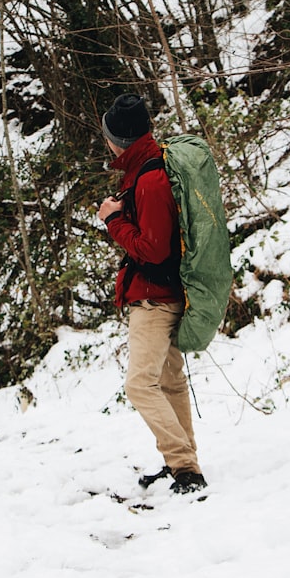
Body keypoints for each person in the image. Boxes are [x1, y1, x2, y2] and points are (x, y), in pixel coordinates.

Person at [96, 93, 207, 494]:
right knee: (169, 380)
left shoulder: (150, 178)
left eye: (108, 136)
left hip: (154, 299)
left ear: (120, 140)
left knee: (140, 384)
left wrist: (112, 221)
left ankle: (184, 466)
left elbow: (153, 247)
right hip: (166, 291)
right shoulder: (145, 170)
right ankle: (184, 463)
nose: (105, 143)